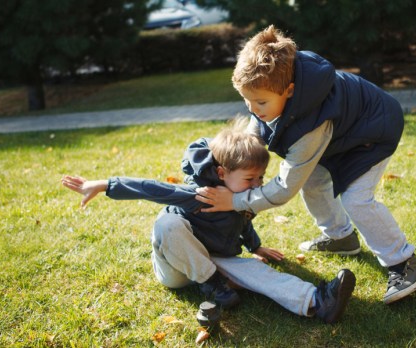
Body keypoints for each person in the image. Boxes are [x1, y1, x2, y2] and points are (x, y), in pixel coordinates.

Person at [195, 26, 416, 305]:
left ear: (289, 91)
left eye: (260, 102)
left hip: (373, 133)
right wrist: (226, 156)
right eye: (246, 100)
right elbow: (255, 131)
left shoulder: (310, 128)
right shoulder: (277, 88)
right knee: (314, 182)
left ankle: (403, 262)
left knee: (356, 200)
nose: (253, 109)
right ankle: (341, 237)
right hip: (341, 137)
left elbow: (284, 188)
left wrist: (235, 201)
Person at [61, 120, 356, 324]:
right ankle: (216, 284)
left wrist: (256, 246)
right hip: (176, 269)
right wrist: (103, 184)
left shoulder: (242, 198)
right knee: (167, 223)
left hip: (212, 262)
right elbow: (150, 188)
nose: (256, 185)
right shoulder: (199, 194)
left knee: (256, 271)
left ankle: (317, 302)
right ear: (221, 173)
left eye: (260, 178)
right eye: (250, 179)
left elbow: (242, 223)